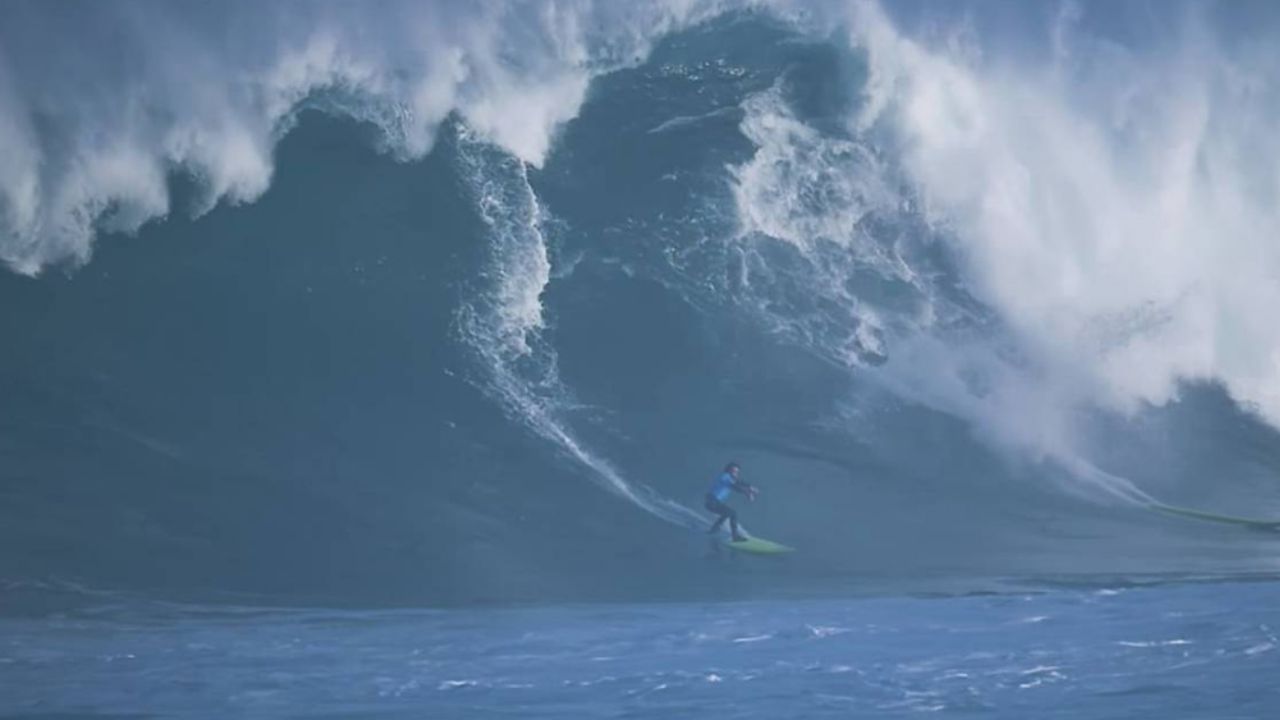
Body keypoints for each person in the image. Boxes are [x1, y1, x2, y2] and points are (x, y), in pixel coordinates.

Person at [705, 461, 757, 542]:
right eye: (733, 471)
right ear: (728, 470)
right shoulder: (725, 477)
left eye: (737, 472)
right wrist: (748, 492)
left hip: (714, 502)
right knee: (733, 513)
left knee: (727, 513)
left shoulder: (730, 478)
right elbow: (735, 487)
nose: (735, 473)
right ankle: (735, 537)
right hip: (712, 502)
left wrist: (750, 486)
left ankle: (714, 529)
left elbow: (739, 482)